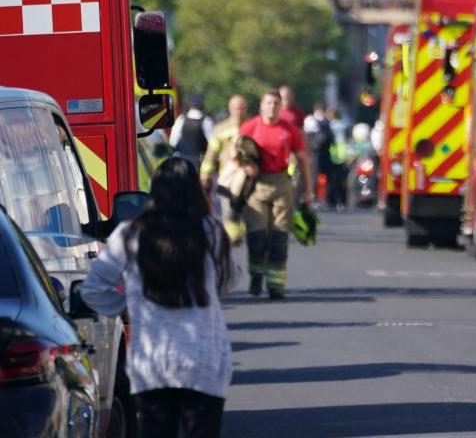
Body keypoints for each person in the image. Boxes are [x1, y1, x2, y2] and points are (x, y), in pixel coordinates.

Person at [80, 157, 235, 438]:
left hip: (153, 361)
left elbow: (92, 288)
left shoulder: (130, 233)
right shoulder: (210, 231)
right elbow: (228, 281)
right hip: (204, 358)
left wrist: (126, 305)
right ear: (194, 191)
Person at [239, 90, 313, 299]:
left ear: (281, 107)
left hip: (281, 183)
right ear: (261, 106)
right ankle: (256, 276)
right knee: (257, 236)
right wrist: (246, 167)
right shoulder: (251, 127)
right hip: (256, 185)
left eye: (276, 103)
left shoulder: (289, 129)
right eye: (268, 103)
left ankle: (275, 285)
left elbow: (302, 160)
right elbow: (233, 155)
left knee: (279, 238)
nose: (272, 107)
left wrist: (308, 191)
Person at [200, 94, 248, 242]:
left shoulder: (252, 126)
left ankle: (241, 232)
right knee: (228, 208)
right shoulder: (221, 128)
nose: (238, 111)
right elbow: (211, 152)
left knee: (246, 209)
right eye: (235, 108)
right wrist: (205, 173)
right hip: (227, 177)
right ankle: (233, 237)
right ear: (230, 109)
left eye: (241, 108)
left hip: (248, 177)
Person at [170, 92, 215, 169]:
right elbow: (213, 144)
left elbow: (173, 142)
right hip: (199, 162)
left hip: (181, 161)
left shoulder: (181, 119)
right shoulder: (206, 121)